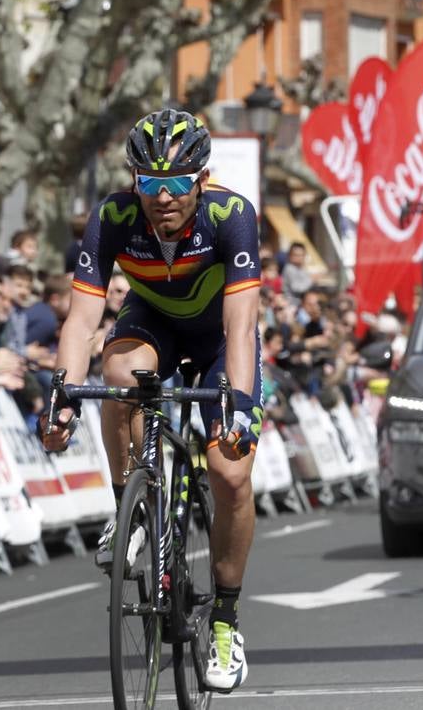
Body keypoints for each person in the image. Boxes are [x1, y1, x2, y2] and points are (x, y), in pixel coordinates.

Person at [42, 106, 262, 694]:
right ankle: (132, 505)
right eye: (149, 184)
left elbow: (241, 325)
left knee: (230, 473)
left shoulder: (231, 215)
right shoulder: (112, 217)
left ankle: (225, 618)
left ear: (201, 180)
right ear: (133, 181)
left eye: (175, 185)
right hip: (152, 322)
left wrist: (238, 406)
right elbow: (83, 316)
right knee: (120, 376)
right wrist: (61, 394)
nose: (162, 198)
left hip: (217, 337)